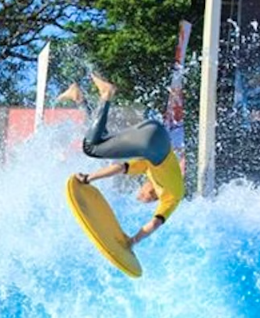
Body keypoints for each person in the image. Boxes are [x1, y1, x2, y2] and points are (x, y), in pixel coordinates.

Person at [58, 72, 184, 247]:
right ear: (151, 195)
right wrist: (133, 241)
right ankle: (106, 93)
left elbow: (118, 168)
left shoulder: (149, 168)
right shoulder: (171, 198)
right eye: (142, 195)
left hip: (156, 130)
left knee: (101, 136)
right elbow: (154, 224)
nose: (139, 192)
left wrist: (90, 178)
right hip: (149, 142)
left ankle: (78, 98)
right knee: (91, 148)